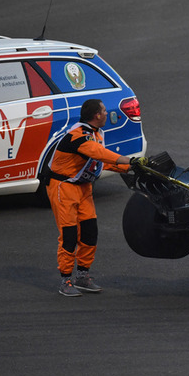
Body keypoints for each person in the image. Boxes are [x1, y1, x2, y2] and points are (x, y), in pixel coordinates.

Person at [46, 99, 134, 296]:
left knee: (89, 232)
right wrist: (129, 160)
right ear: (97, 115)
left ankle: (82, 276)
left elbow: (99, 162)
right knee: (69, 235)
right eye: (104, 110)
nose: (107, 113)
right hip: (64, 187)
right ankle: (65, 280)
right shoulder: (78, 136)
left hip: (83, 187)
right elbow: (98, 153)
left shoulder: (95, 133)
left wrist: (132, 167)